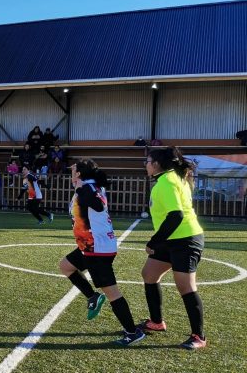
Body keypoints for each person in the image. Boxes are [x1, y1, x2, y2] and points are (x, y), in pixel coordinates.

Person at [58, 159, 146, 346]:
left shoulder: (87, 188)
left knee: (112, 293)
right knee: (66, 266)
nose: (71, 172)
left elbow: (97, 205)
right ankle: (92, 296)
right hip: (90, 246)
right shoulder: (89, 186)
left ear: (79, 173)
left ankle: (132, 332)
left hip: (97, 249)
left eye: (73, 169)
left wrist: (82, 190)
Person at [140, 147, 207, 350]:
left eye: (148, 161)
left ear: (157, 164)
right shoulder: (171, 178)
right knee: (149, 274)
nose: (146, 164)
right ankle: (156, 322)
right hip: (172, 238)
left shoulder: (167, 181)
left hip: (185, 239)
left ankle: (199, 336)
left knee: (185, 286)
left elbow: (176, 216)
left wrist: (154, 241)